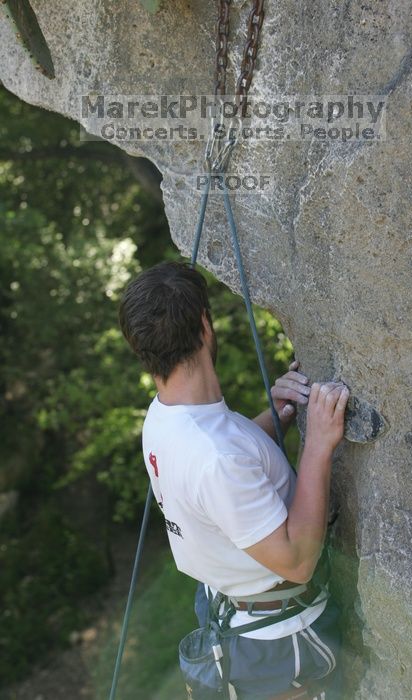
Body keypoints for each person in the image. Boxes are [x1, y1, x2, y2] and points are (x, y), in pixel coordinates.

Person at [119, 261, 349, 700]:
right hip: (278, 645)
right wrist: (317, 443)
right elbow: (297, 560)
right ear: (206, 325)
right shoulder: (215, 455)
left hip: (229, 609)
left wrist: (275, 419)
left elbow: (214, 478)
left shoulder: (162, 418)